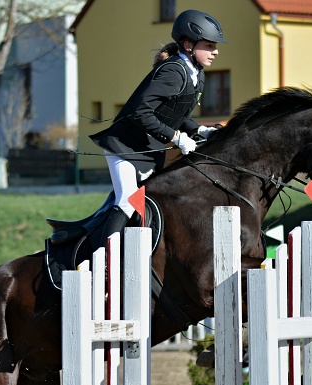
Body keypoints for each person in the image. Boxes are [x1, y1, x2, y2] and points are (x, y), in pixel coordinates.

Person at [90, 10, 226, 239]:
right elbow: (140, 113)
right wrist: (176, 138)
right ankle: (105, 262)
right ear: (188, 45)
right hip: (124, 146)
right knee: (127, 201)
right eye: (210, 45)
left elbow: (176, 112)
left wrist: (198, 129)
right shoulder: (173, 71)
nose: (216, 51)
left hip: (149, 147)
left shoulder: (196, 73)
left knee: (149, 202)